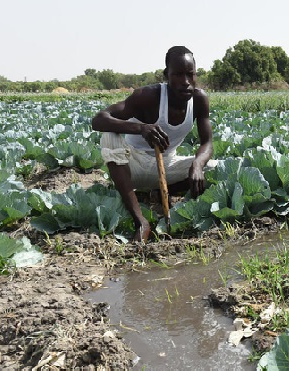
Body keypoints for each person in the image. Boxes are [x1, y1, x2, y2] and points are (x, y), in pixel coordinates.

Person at [92, 46, 216, 242]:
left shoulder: (199, 100)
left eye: (190, 74)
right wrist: (141, 128)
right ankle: (141, 222)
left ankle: (158, 194)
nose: (185, 82)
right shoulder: (148, 96)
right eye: (178, 74)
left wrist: (198, 164)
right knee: (109, 136)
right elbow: (99, 119)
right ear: (167, 75)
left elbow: (207, 143)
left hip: (166, 167)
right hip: (132, 165)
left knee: (212, 168)